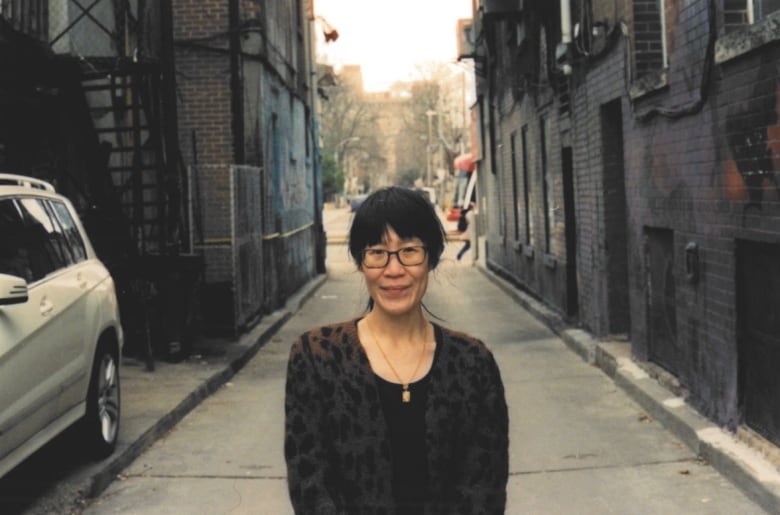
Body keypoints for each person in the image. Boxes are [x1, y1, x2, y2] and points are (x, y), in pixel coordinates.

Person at [285, 186, 508, 514]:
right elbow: (310, 486)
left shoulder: (473, 363)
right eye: (377, 252)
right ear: (361, 262)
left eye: (409, 251)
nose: (393, 270)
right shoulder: (316, 358)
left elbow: (484, 488)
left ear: (430, 258)